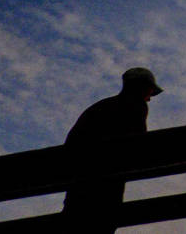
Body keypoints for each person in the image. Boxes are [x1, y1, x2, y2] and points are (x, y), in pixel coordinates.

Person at [63, 67, 163, 233]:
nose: (149, 99)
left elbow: (70, 147)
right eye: (150, 92)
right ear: (143, 87)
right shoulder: (137, 106)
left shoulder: (99, 108)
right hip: (105, 191)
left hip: (78, 188)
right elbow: (140, 147)